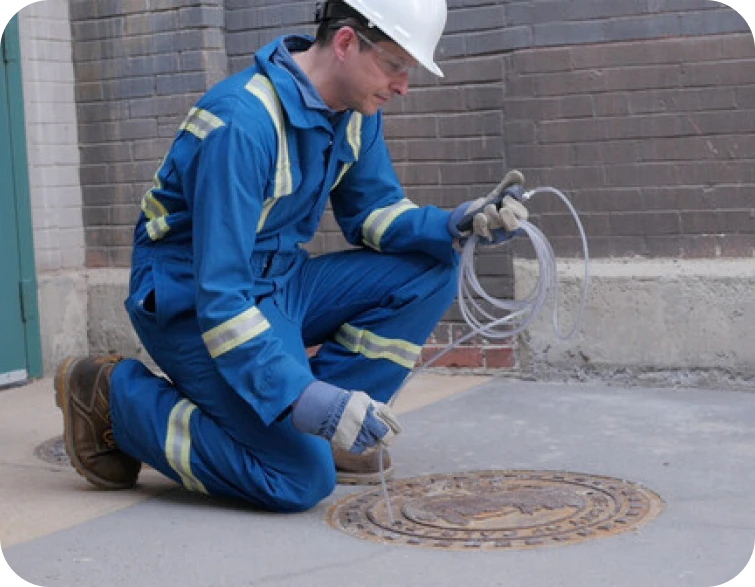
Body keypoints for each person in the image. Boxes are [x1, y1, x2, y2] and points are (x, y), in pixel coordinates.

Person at [54, 0, 529, 512]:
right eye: (396, 65)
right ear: (346, 42)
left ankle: (327, 427)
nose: (403, 86)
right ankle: (114, 397)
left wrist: (452, 225)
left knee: (432, 266)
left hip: (278, 283)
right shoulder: (241, 123)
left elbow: (373, 212)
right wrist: (300, 397)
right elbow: (221, 297)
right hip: (191, 302)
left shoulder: (353, 110)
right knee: (297, 478)